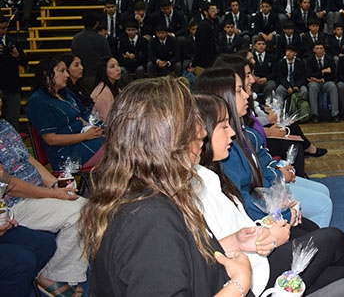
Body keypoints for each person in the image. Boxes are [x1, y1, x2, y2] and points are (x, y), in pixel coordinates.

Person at [193, 93, 344, 297]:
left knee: (343, 272)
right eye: (223, 126)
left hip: (254, 258)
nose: (231, 133)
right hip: (251, 273)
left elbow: (233, 225)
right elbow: (211, 248)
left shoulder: (209, 175)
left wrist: (266, 224)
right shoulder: (203, 182)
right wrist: (268, 229)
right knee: (333, 238)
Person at [80, 77, 254, 297]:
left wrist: (231, 243)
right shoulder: (149, 218)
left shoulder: (154, 194)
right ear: (166, 137)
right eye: (192, 120)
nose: (202, 132)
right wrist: (239, 284)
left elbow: (179, 257)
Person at [197, 68, 333, 228]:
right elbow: (246, 198)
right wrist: (281, 208)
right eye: (240, 89)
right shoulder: (228, 150)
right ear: (224, 95)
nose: (251, 83)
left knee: (320, 202)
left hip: (264, 194)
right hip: (260, 210)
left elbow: (259, 165)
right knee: (322, 207)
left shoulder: (240, 130)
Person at [0, 96, 88, 297]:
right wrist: (52, 193)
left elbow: (27, 158)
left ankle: (56, 271)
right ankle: (51, 276)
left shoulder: (4, 126)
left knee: (88, 207)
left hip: (36, 192)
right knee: (80, 214)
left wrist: (53, 183)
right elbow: (9, 186)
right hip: (13, 203)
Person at [26, 58, 104, 168]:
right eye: (62, 71)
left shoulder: (65, 93)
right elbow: (51, 139)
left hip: (82, 141)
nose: (67, 75)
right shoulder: (38, 101)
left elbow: (77, 117)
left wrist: (91, 128)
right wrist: (85, 136)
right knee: (119, 149)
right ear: (47, 75)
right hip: (66, 155)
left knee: (119, 141)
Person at [0, 14, 27, 131]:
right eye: (0, 28)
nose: (2, 31)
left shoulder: (13, 42)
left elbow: (25, 61)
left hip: (12, 87)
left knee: (13, 123)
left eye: (4, 28)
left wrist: (17, 56)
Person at [90, 56, 126, 122]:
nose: (118, 69)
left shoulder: (114, 87)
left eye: (118, 65)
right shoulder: (103, 92)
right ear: (104, 71)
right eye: (112, 67)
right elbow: (107, 119)